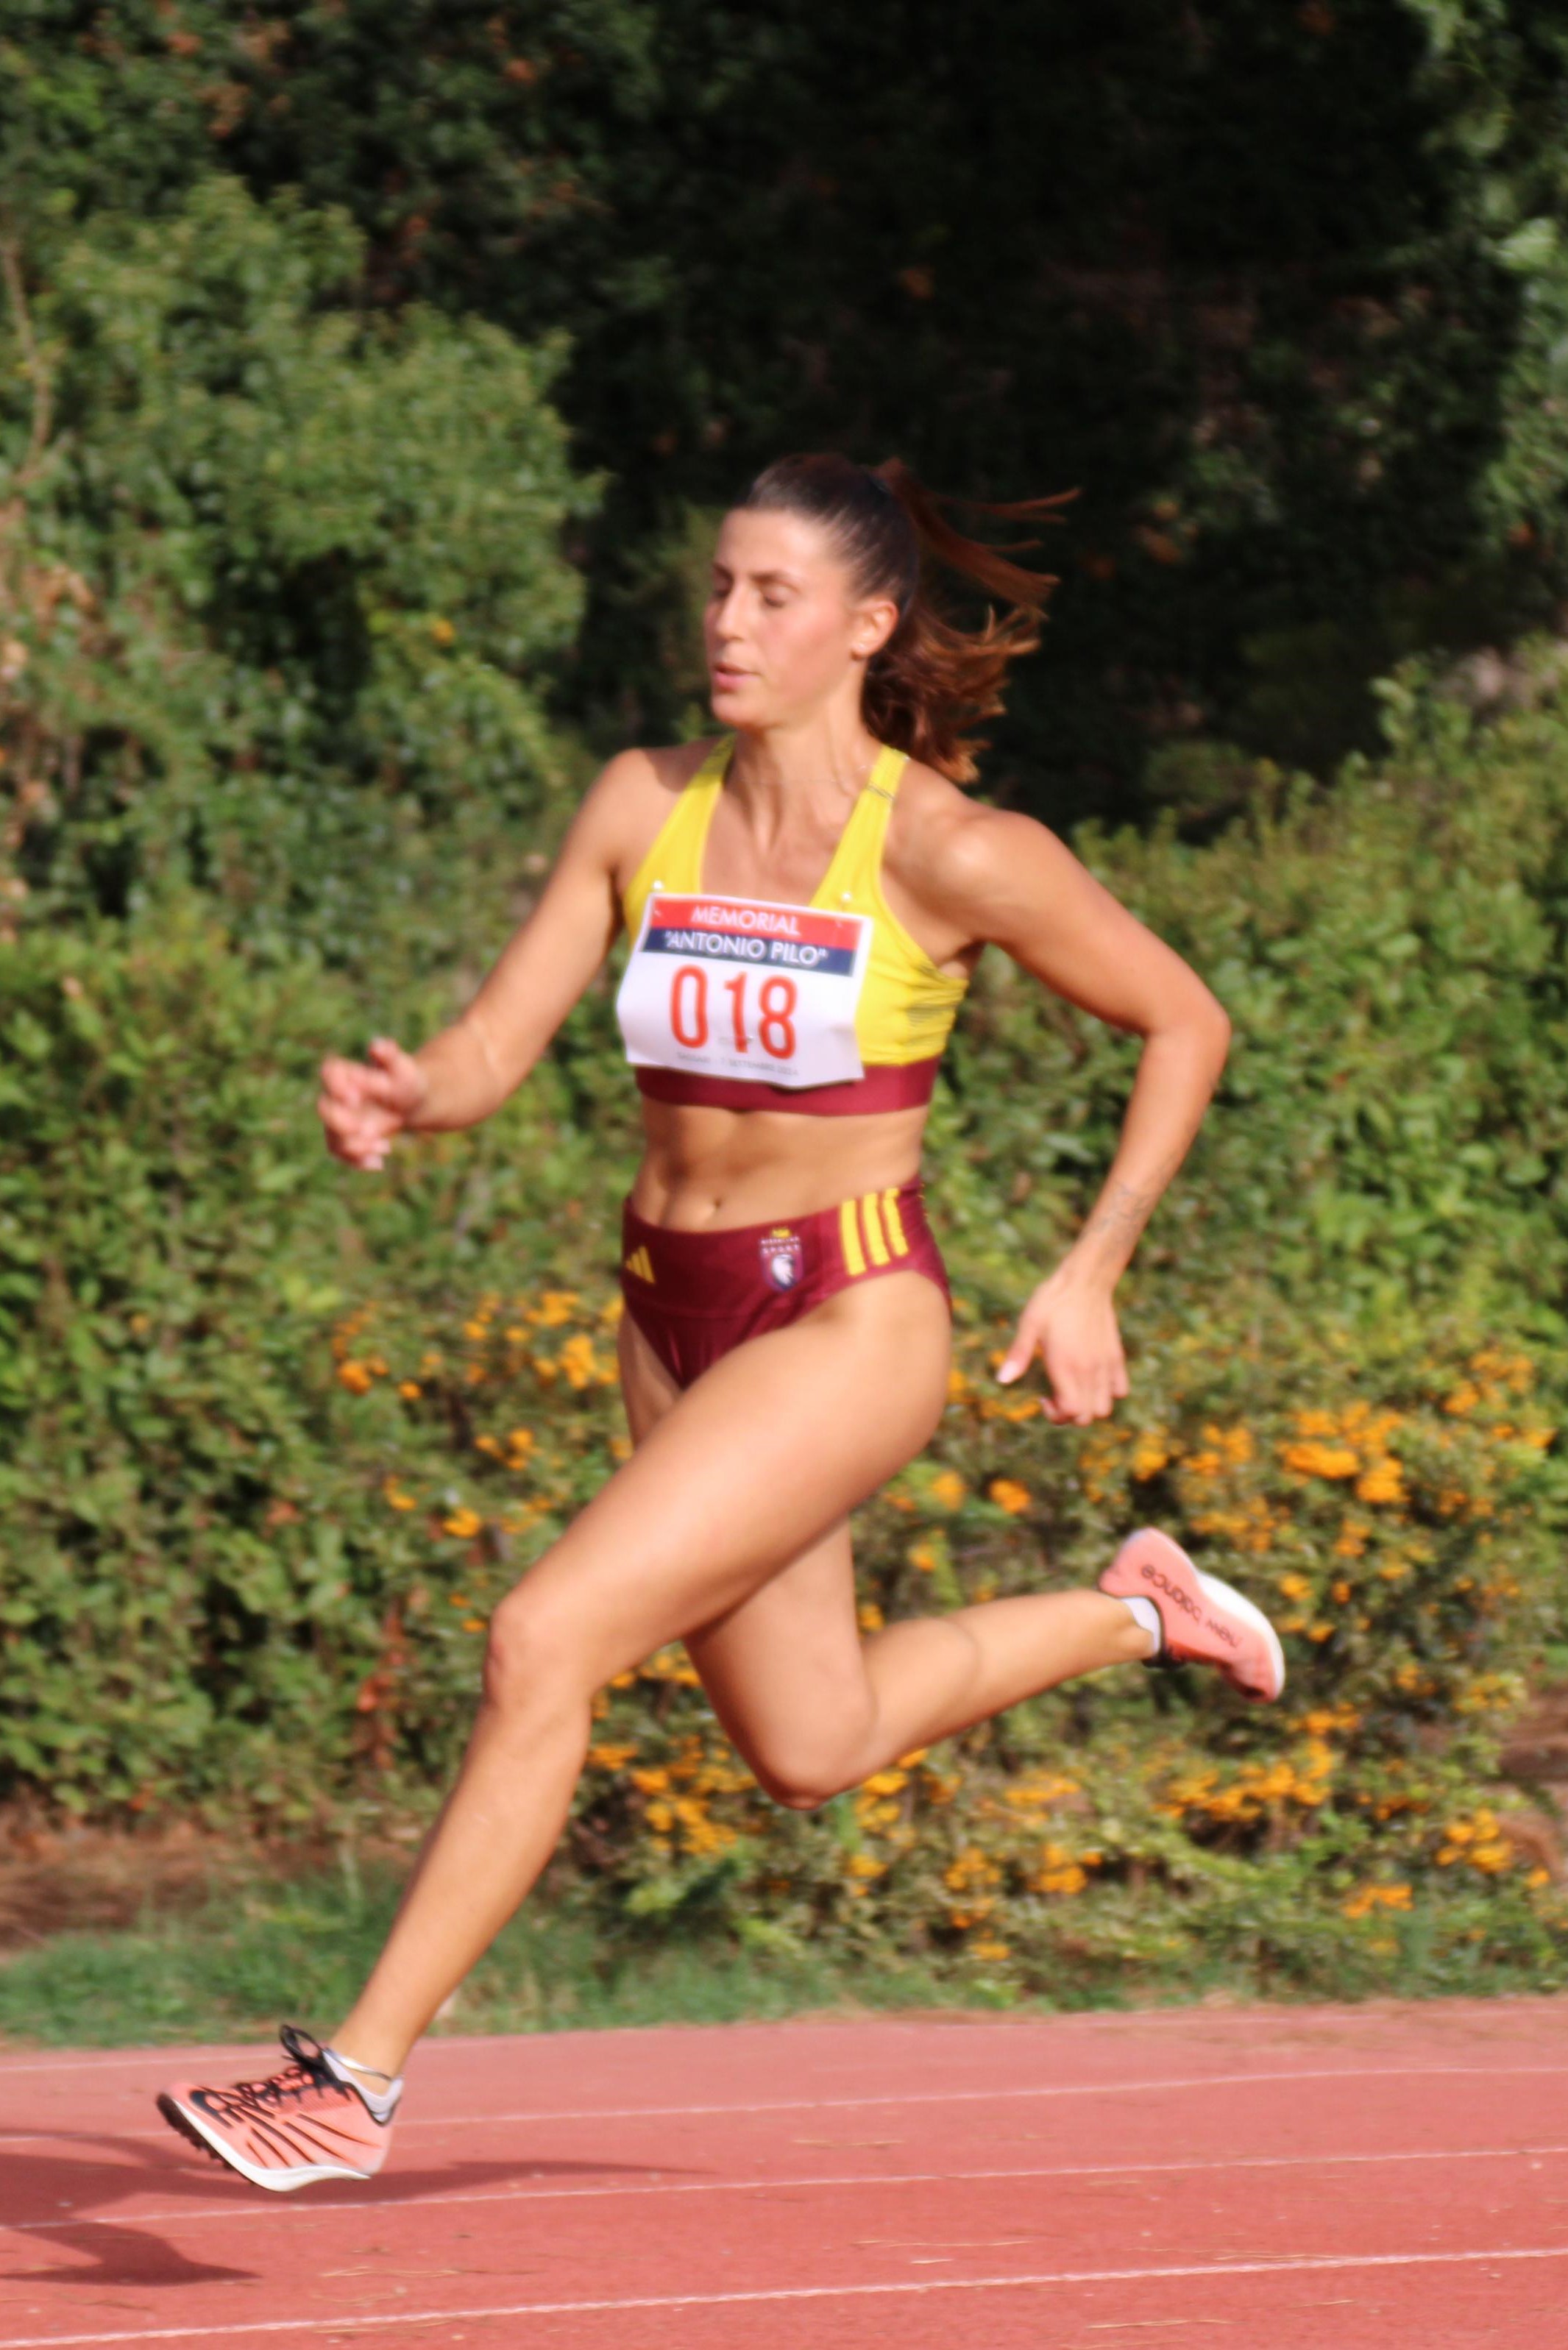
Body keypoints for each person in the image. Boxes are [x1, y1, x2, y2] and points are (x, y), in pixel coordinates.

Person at [156, 452, 1284, 2193]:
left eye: (771, 595)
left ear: (867, 626)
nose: (728, 624)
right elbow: (492, 1045)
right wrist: (410, 1094)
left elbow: (1184, 1020)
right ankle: (1144, 1612)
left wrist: (1089, 1269)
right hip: (664, 1311)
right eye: (716, 588)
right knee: (809, 1743)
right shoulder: (641, 802)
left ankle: (349, 2083)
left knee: (542, 1637)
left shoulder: (951, 848)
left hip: (845, 1316)